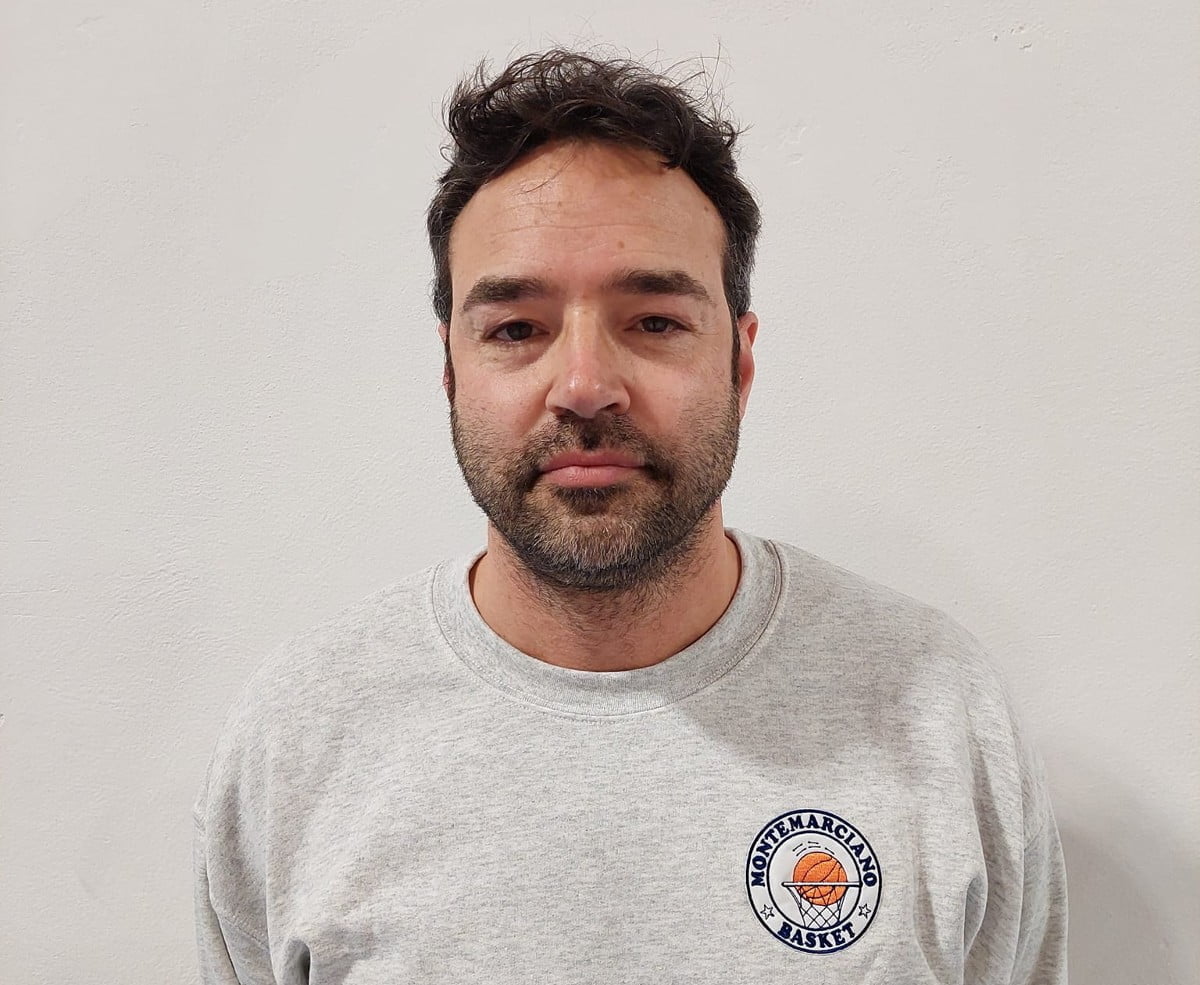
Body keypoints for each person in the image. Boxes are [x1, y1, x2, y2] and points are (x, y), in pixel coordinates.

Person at [193, 49, 1068, 984]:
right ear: (450, 371)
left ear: (739, 362)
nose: (583, 385)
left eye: (653, 321)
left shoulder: (938, 709)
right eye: (516, 328)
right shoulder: (302, 734)